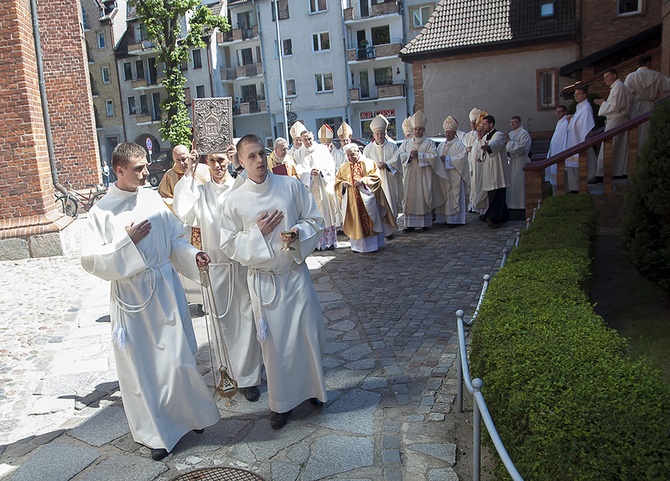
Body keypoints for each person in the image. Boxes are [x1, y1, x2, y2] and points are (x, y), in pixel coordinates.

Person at [80, 142, 220, 461]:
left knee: (178, 358)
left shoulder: (151, 197)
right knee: (143, 368)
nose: (146, 173)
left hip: (165, 289)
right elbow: (89, 259)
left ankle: (190, 415)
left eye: (146, 166)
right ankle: (156, 433)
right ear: (119, 170)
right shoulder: (101, 211)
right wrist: (126, 242)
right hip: (132, 297)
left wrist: (192, 254)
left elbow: (175, 239)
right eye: (138, 169)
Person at [220, 134, 327, 430]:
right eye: (251, 157)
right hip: (264, 283)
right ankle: (280, 404)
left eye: (261, 154)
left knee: (308, 333)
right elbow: (228, 244)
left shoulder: (290, 186)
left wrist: (296, 234)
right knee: (275, 346)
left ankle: (313, 391)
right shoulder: (235, 201)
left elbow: (314, 220)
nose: (258, 161)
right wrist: (257, 234)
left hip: (294, 275)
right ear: (240, 162)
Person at [172, 151, 263, 403]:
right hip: (217, 267)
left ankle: (249, 379)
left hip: (241, 263)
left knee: (247, 321)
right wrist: (189, 173)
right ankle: (229, 373)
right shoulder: (200, 193)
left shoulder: (240, 187)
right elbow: (184, 213)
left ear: (229, 159)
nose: (217, 165)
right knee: (224, 325)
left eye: (222, 159)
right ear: (206, 163)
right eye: (211, 160)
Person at [158, 144, 209, 316]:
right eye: (178, 159)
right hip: (184, 229)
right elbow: (164, 199)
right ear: (173, 159)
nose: (182, 162)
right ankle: (197, 301)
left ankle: (209, 298)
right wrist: (182, 207)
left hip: (205, 227)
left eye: (185, 158)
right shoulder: (169, 176)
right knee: (190, 264)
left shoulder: (203, 171)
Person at [335, 143, 397, 252]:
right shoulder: (344, 167)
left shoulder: (369, 163)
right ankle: (357, 246)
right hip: (352, 200)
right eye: (348, 155)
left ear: (358, 152)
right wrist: (343, 184)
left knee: (371, 219)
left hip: (367, 199)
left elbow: (376, 178)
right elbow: (337, 181)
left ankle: (373, 245)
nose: (350, 157)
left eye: (352, 154)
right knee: (356, 220)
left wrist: (364, 181)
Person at [397, 110, 448, 231]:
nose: (417, 131)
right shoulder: (406, 143)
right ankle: (409, 225)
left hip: (424, 176)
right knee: (410, 198)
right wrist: (409, 156)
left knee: (423, 196)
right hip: (410, 175)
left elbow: (434, 157)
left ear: (423, 130)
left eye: (420, 129)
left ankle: (425, 223)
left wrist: (419, 156)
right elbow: (400, 155)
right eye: (415, 129)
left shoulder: (429, 143)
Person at [294, 130, 340, 250]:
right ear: (301, 140)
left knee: (325, 213)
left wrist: (321, 171)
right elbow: (298, 168)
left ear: (313, 137)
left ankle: (328, 242)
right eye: (305, 139)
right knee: (312, 214)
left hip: (322, 187)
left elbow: (330, 164)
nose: (308, 141)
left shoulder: (322, 149)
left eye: (309, 138)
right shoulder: (298, 153)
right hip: (309, 189)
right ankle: (315, 244)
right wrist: (309, 173)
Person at [591, 68, 631, 183]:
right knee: (617, 146)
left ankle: (601, 174)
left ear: (614, 75)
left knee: (608, 145)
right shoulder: (617, 87)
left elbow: (615, 106)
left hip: (616, 119)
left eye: (607, 76)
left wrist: (602, 103)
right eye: (604, 78)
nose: (605, 79)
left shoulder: (618, 86)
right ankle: (618, 172)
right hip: (618, 119)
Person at [363, 114, 403, 222]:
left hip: (389, 180)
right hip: (375, 181)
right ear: (373, 135)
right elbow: (365, 163)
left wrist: (387, 165)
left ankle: (392, 227)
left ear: (385, 133)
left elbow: (397, 160)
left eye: (382, 133)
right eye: (377, 134)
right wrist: (376, 166)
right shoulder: (368, 149)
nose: (380, 136)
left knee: (390, 202)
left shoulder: (392, 146)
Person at [624, 54, 670, 146]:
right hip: (650, 106)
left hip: (636, 107)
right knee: (649, 132)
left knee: (636, 131)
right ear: (649, 62)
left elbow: (626, 95)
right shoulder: (656, 75)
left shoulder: (631, 76)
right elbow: (668, 86)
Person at [475, 115, 510, 227]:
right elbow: (480, 154)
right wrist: (481, 142)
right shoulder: (485, 136)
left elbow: (496, 145)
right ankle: (499, 216)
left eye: (485, 124)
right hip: (489, 170)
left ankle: (493, 217)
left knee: (497, 194)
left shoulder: (498, 135)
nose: (483, 126)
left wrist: (488, 147)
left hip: (497, 170)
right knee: (492, 195)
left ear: (491, 124)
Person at [435, 116, 470, 227]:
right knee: (445, 196)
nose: (448, 135)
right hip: (444, 176)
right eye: (446, 132)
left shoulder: (459, 145)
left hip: (455, 176)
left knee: (454, 198)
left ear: (455, 133)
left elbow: (462, 159)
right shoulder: (440, 146)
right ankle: (444, 218)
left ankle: (455, 220)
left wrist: (448, 159)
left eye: (450, 132)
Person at [565, 87, 596, 192]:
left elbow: (586, 124)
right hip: (575, 138)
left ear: (584, 95)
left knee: (587, 158)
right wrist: (572, 119)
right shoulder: (579, 107)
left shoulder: (586, 108)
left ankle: (591, 176)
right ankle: (574, 186)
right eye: (575, 95)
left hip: (582, 138)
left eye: (578, 94)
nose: (576, 96)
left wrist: (572, 119)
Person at [505, 116, 531, 211]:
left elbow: (521, 147)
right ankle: (512, 205)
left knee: (520, 183)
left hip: (521, 161)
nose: (512, 124)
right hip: (512, 161)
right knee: (512, 184)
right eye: (511, 122)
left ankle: (521, 205)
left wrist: (509, 142)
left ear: (519, 122)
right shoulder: (511, 133)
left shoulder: (524, 134)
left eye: (514, 122)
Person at [463, 108, 486, 213]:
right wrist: (467, 149)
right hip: (469, 162)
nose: (472, 125)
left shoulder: (483, 135)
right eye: (471, 123)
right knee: (472, 185)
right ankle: (473, 205)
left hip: (480, 164)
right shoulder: (466, 136)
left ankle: (481, 206)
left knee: (480, 184)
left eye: (474, 122)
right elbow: (462, 148)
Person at [545, 105, 569, 190]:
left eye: (559, 112)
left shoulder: (566, 122)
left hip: (561, 151)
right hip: (555, 151)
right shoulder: (559, 122)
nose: (557, 113)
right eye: (556, 112)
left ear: (565, 112)